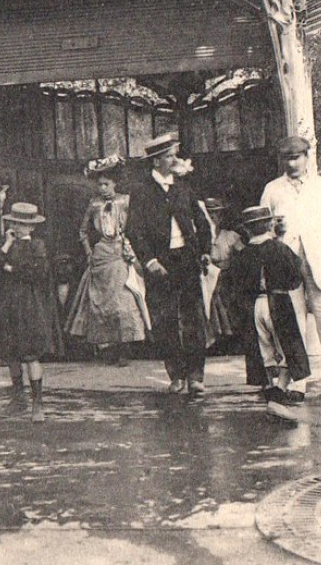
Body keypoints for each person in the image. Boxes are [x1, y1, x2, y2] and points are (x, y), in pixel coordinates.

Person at [260, 134, 321, 408]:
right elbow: (262, 228)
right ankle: (298, 385)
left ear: (307, 157)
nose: (292, 164)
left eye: (297, 157)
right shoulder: (273, 189)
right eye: (287, 158)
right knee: (292, 327)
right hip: (287, 267)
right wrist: (273, 231)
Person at [125, 133, 212, 396]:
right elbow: (134, 230)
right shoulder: (141, 191)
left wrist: (205, 251)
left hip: (186, 259)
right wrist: (149, 261)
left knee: (194, 319)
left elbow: (203, 222)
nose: (175, 160)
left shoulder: (183, 187)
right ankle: (176, 375)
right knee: (165, 321)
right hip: (159, 264)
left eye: (174, 155)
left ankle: (196, 377)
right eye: (169, 156)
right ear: (156, 162)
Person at [65, 156, 149, 367]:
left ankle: (125, 349)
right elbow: (83, 231)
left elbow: (137, 226)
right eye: (99, 184)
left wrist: (132, 247)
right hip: (101, 254)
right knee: (101, 302)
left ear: (115, 184)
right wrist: (89, 252)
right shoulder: (94, 204)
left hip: (121, 252)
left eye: (106, 184)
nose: (103, 188)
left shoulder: (125, 200)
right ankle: (108, 348)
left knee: (123, 299)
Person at [230, 206, 310, 423]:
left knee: (263, 348)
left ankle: (269, 390)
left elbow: (234, 284)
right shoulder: (279, 248)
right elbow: (296, 276)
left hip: (254, 305)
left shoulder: (242, 254)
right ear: (269, 225)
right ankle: (279, 394)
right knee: (287, 347)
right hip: (278, 301)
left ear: (247, 230)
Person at [0, 202, 56, 422]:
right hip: (7, 302)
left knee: (30, 353)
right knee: (11, 353)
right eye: (15, 223)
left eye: (24, 224)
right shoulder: (5, 244)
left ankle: (38, 402)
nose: (19, 227)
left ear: (32, 227)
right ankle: (18, 399)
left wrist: (11, 269)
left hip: (28, 303)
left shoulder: (37, 245)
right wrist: (6, 245)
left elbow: (38, 272)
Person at [203, 197, 244, 353]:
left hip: (226, 279)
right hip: (206, 279)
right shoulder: (199, 235)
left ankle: (230, 342)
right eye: (209, 214)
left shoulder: (230, 236)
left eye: (216, 214)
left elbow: (243, 256)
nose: (213, 218)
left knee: (228, 304)